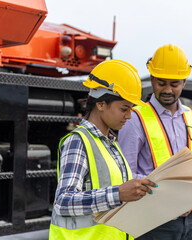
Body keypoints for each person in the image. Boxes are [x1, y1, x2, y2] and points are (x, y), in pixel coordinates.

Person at [49, 59, 157, 240]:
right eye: (124, 108)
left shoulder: (111, 143)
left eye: (131, 109)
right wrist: (118, 193)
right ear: (100, 104)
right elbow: (63, 202)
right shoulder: (78, 141)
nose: (129, 116)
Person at [118, 44, 192, 240]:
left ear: (184, 81)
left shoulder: (191, 117)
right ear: (152, 79)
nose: (167, 90)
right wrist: (168, 198)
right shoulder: (135, 119)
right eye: (161, 83)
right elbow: (125, 176)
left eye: (174, 84)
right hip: (155, 223)